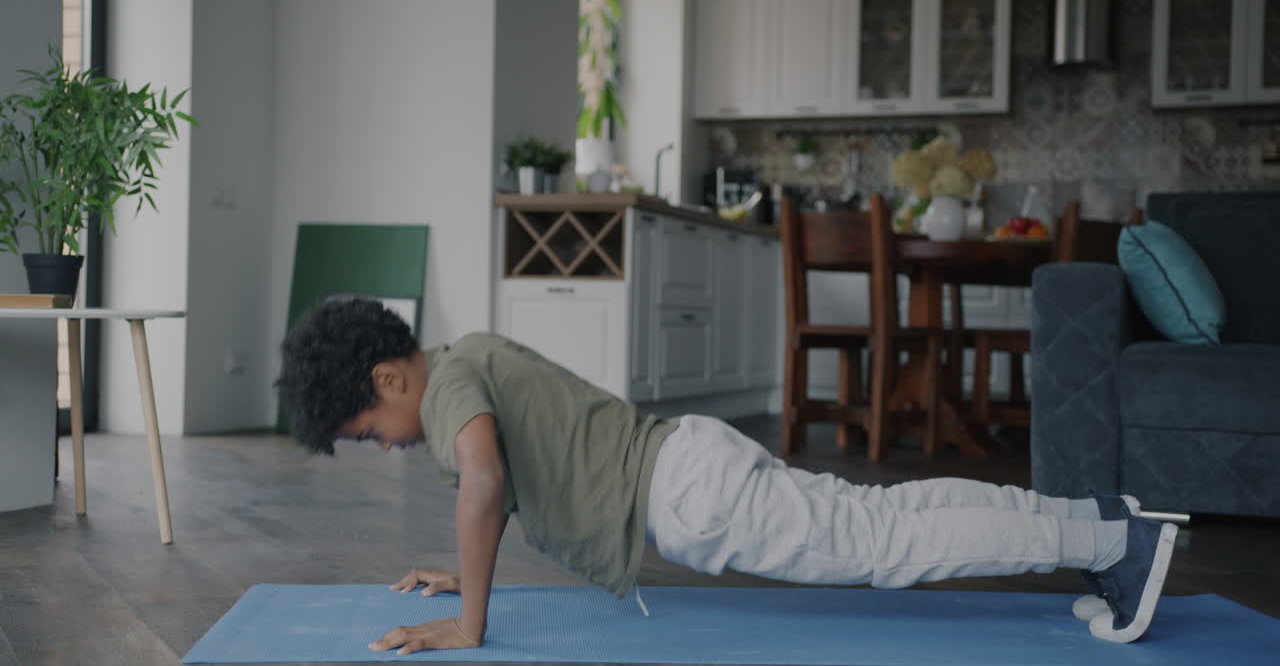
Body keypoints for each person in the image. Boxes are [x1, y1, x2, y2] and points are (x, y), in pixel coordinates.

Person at [274, 298, 1178, 655]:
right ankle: (1089, 519)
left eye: (368, 431)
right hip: (691, 463)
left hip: (693, 496)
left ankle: (1114, 542)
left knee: (885, 540)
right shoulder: (464, 359)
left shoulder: (446, 397)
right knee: (886, 513)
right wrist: (463, 570)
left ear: (388, 379)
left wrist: (468, 625)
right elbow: (507, 481)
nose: (382, 446)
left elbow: (482, 484)